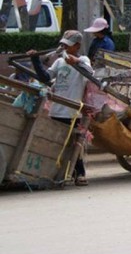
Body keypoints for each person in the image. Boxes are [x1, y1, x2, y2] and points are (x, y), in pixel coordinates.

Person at [27, 30, 93, 185]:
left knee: (74, 144)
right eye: (63, 44)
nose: (64, 47)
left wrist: (75, 61)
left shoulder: (83, 59)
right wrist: (36, 60)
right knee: (57, 142)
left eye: (67, 45)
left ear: (77, 46)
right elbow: (45, 77)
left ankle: (80, 173)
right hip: (57, 109)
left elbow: (90, 73)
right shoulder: (58, 62)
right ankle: (56, 172)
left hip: (73, 111)